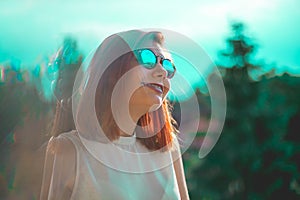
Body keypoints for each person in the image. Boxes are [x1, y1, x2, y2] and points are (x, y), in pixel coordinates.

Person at [40, 29, 190, 200]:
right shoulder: (67, 150)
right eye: (148, 59)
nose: (162, 71)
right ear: (112, 70)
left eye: (167, 65)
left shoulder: (169, 149)